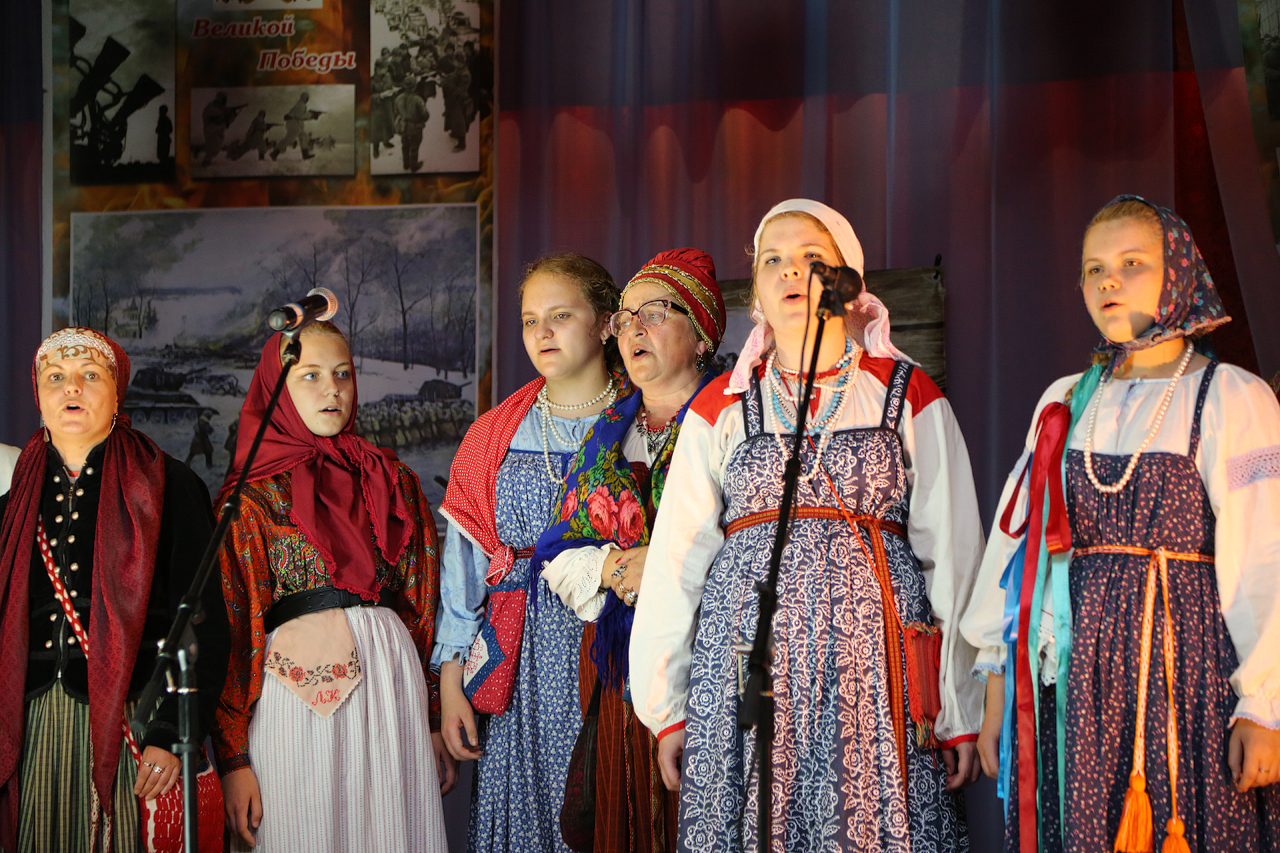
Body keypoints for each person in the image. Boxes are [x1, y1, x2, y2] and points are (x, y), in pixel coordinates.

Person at [629, 199, 986, 851]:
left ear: (850, 281)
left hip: (872, 677)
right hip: (747, 671)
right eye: (773, 260)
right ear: (757, 294)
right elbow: (676, 563)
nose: (791, 271)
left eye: (812, 258)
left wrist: (960, 706)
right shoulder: (722, 405)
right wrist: (668, 705)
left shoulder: (907, 394)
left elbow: (956, 555)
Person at [961, 195, 1280, 853]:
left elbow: (1266, 559)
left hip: (1184, 673)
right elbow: (1014, 552)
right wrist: (997, 688)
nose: (1109, 280)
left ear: (1178, 272)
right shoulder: (1063, 401)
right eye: (1094, 269)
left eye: (1132, 263)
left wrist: (1264, 705)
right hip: (1075, 679)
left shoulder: (1230, 397)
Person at [214, 322, 450, 852]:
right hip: (294, 697)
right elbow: (233, 632)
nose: (332, 390)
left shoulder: (393, 480)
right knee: (304, 829)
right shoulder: (250, 499)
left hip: (391, 685)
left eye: (343, 374)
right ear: (275, 386)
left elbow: (423, 605)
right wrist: (233, 759)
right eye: (311, 376)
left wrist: (432, 717)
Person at [0, 327, 230, 851]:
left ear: (117, 392)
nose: (71, 388)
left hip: (135, 722)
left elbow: (205, 627)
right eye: (55, 377)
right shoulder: (11, 505)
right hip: (34, 724)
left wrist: (173, 733)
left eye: (90, 375)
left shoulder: (168, 486)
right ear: (38, 395)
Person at [533, 248, 726, 852]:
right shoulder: (606, 433)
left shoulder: (736, 422)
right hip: (620, 672)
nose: (634, 329)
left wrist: (665, 568)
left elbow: (767, 546)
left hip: (713, 663)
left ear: (701, 335)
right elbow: (556, 551)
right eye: (625, 317)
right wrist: (617, 565)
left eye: (656, 313)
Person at [435, 253, 622, 853]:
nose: (542, 333)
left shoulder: (644, 420)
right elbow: (464, 573)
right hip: (518, 659)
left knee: (605, 809)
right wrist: (450, 681)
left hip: (611, 647)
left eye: (560, 315)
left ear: (606, 323)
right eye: (529, 320)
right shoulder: (493, 435)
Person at [394, 81, 428, 172]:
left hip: (403, 126)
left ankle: (406, 164)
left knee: (405, 146)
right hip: (415, 127)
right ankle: (414, 166)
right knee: (414, 147)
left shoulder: (398, 98)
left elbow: (396, 112)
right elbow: (425, 115)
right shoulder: (417, 99)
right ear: (414, 87)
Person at [271, 93, 316, 162]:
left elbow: (300, 116)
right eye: (307, 98)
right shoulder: (300, 105)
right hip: (293, 124)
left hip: (295, 124)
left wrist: (311, 116)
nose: (307, 100)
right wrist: (311, 115)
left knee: (303, 136)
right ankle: (274, 153)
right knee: (289, 139)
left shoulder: (301, 105)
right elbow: (299, 115)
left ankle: (305, 154)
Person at [201, 92, 234, 166]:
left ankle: (203, 155)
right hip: (211, 130)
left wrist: (231, 115)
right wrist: (223, 116)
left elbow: (227, 121)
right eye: (223, 99)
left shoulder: (224, 109)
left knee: (217, 147)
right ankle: (206, 161)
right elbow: (208, 117)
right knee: (212, 146)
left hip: (219, 130)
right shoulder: (211, 107)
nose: (224, 101)